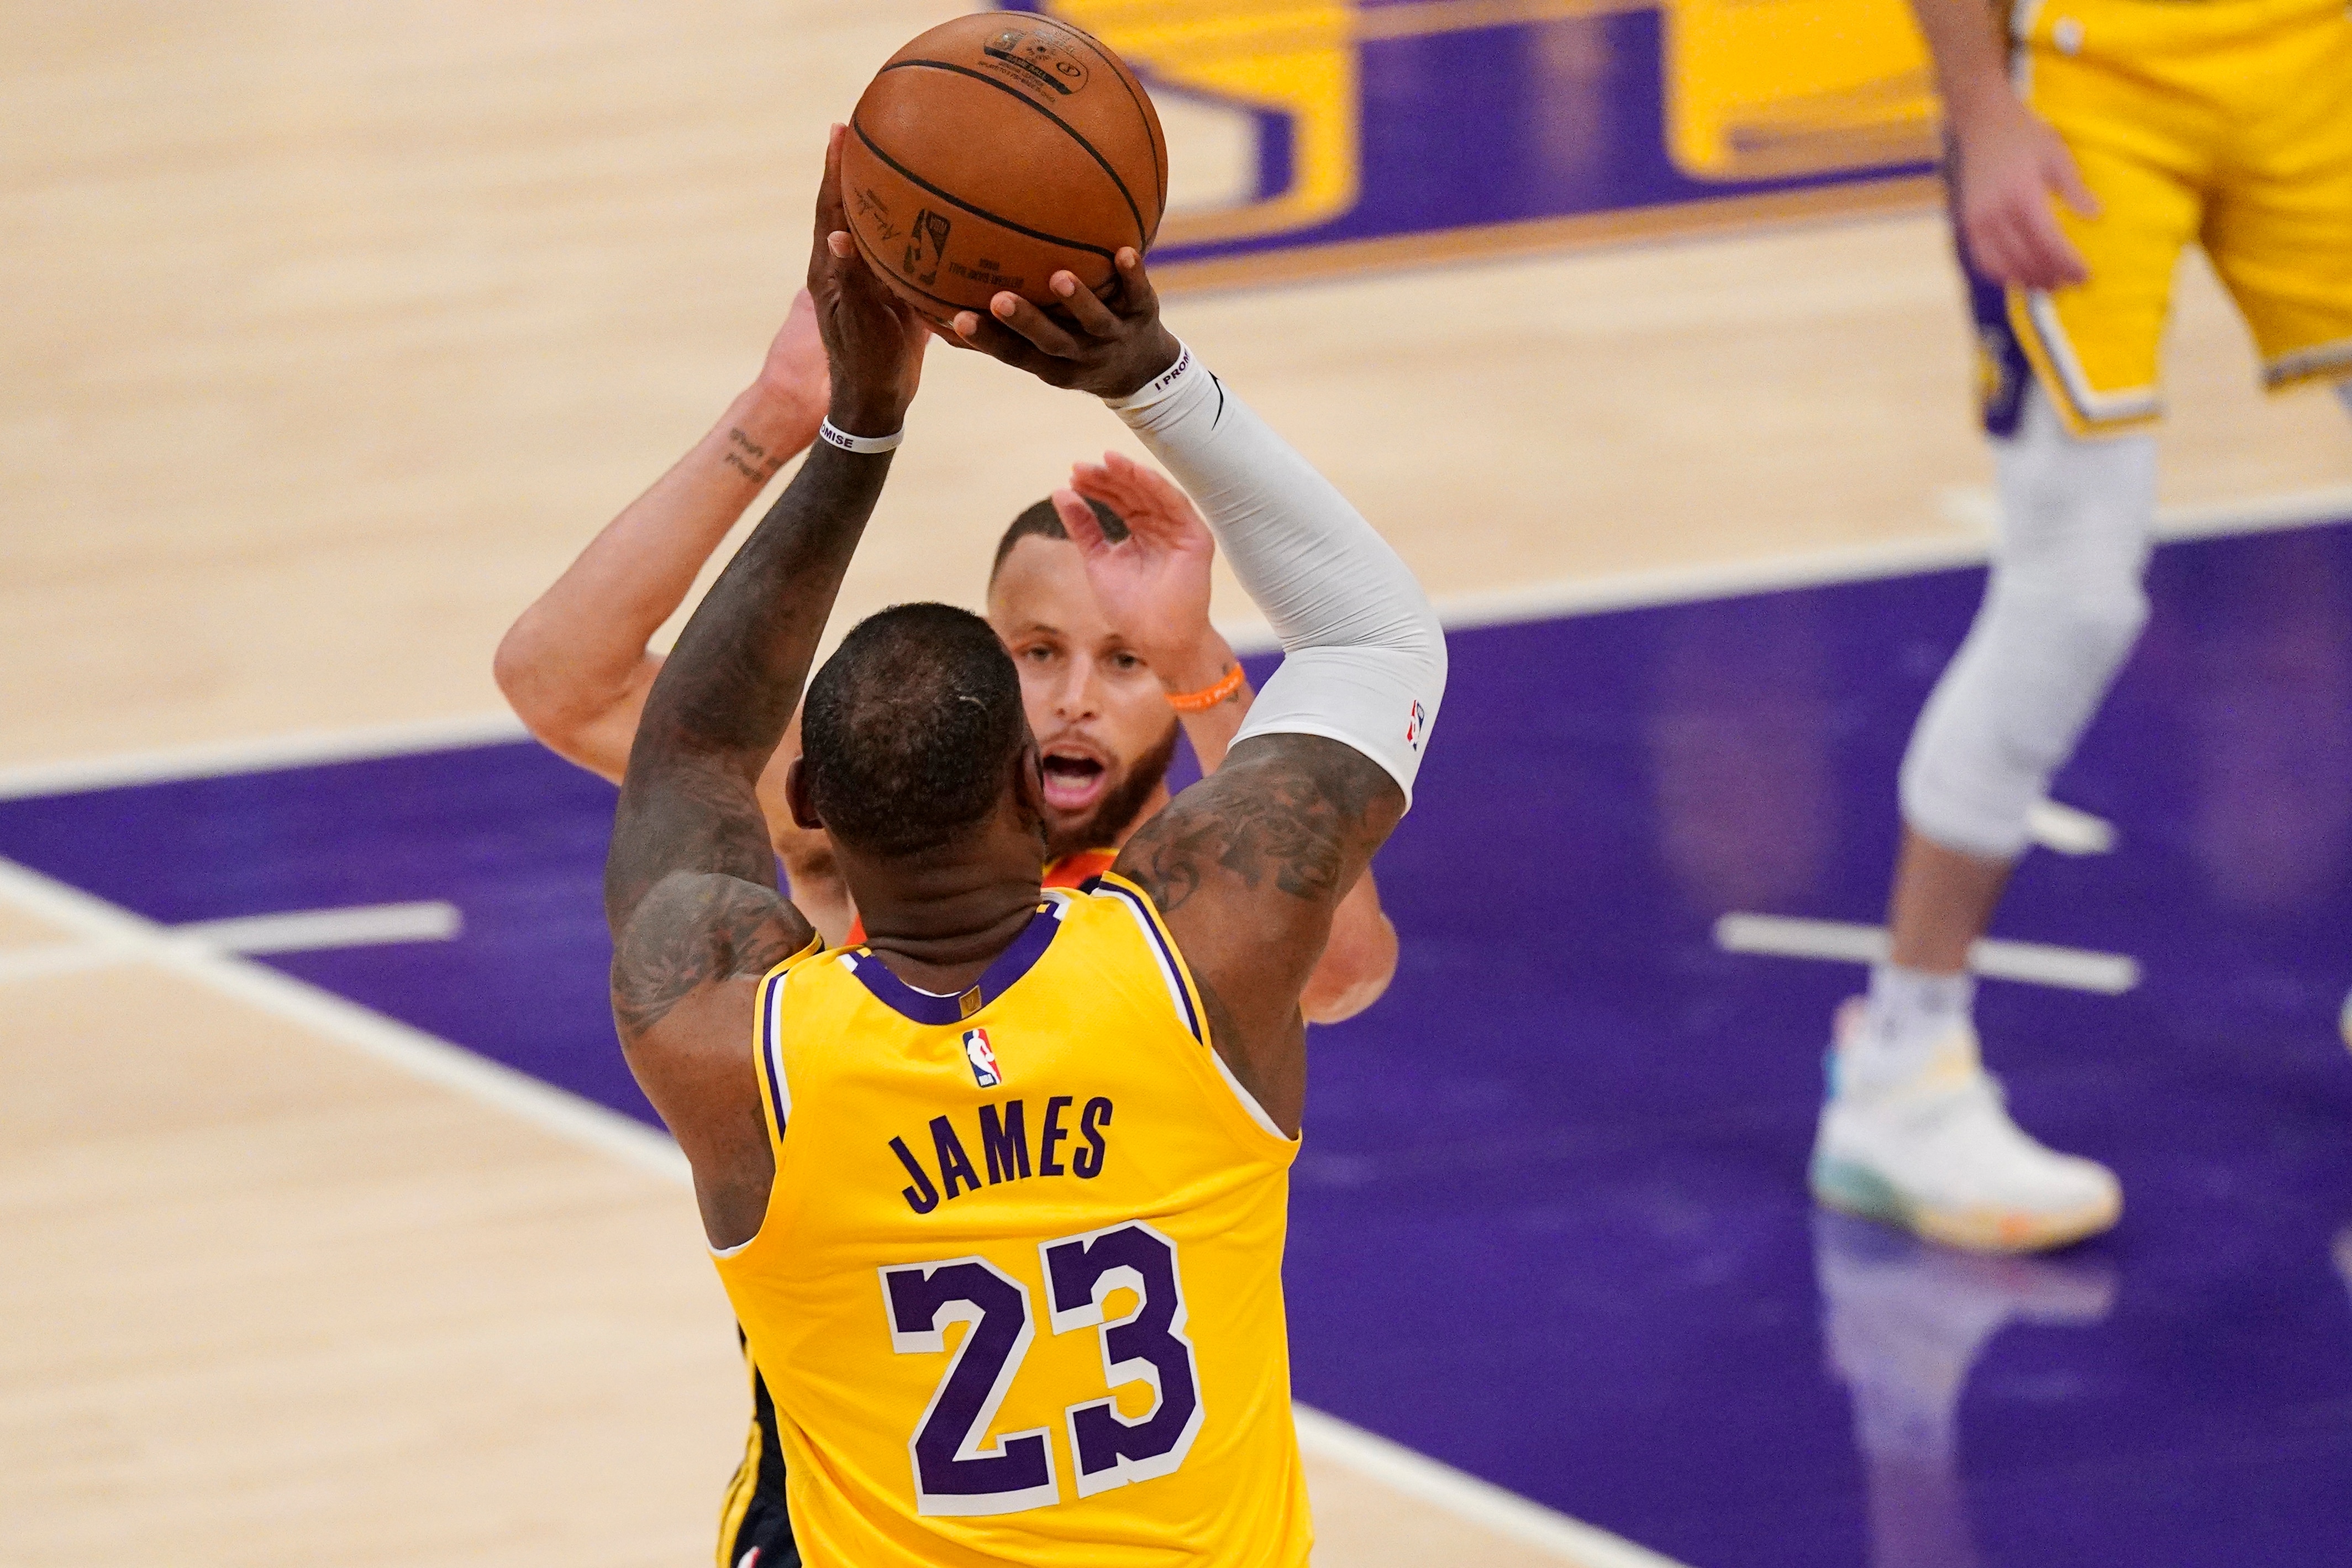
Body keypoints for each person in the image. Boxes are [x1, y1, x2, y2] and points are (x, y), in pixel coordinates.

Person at [601, 125, 1443, 1564]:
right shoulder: (1202, 953)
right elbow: (1372, 633)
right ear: (1033, 785)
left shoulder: (732, 1047)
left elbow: (686, 750)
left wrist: (857, 424)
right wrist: (1145, 374)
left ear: (805, 812)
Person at [1812, 0, 2352, 1251]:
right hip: (2080, 82)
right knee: (2073, 592)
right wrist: (1981, 113)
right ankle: (1901, 1069)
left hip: (2312, 59)